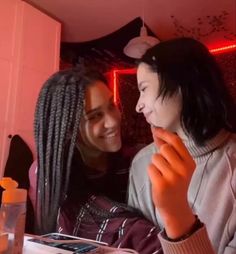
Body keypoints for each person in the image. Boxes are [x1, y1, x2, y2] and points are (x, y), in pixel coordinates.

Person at [29, 67, 163, 253]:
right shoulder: (50, 173)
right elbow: (98, 228)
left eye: (111, 105)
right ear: (69, 130)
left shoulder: (135, 161)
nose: (112, 121)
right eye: (95, 116)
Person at [128, 37, 236, 254]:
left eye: (144, 88)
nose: (138, 106)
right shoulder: (142, 163)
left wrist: (178, 215)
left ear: (181, 84)